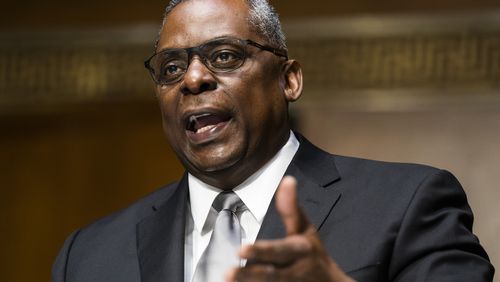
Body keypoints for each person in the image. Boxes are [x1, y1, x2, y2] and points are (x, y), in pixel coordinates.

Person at [52, 0, 495, 281]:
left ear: (289, 80)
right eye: (170, 68)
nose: (192, 78)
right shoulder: (89, 255)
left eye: (224, 56)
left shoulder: (409, 203)